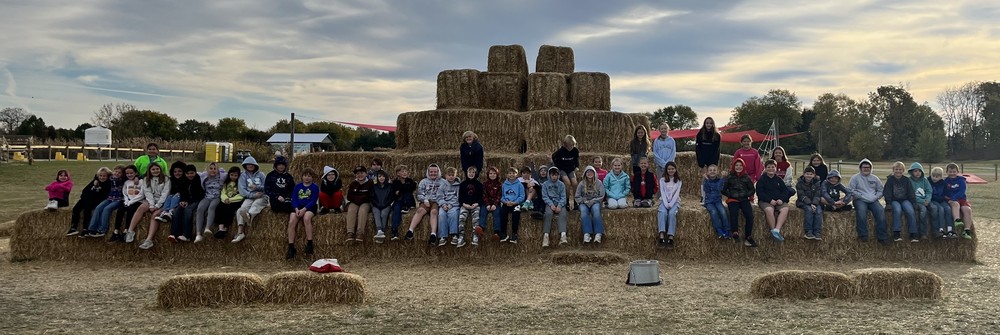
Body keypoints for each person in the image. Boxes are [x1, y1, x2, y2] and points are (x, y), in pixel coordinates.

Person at [126, 164, 171, 250]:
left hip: (163, 202)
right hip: (151, 200)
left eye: (157, 169)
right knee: (141, 208)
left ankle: (149, 240)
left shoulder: (166, 179)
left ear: (160, 169)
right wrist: (151, 205)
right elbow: (148, 193)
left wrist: (157, 206)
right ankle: (130, 231)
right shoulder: (146, 179)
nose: (155, 171)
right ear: (149, 171)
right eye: (153, 169)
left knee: (155, 215)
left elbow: (165, 193)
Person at [407, 164, 447, 245]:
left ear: (438, 172)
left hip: (437, 201)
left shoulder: (443, 182)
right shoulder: (423, 181)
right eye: (431, 172)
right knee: (420, 210)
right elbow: (419, 194)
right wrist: (424, 199)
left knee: (434, 212)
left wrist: (442, 202)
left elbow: (446, 194)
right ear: (428, 172)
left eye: (435, 172)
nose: (433, 173)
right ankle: (410, 231)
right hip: (426, 201)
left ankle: (433, 234)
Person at [849, 159, 887, 244]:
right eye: (864, 167)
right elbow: (851, 190)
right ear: (860, 168)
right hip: (859, 200)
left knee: (881, 211)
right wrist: (861, 196)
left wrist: (875, 197)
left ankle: (882, 237)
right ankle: (863, 235)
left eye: (868, 167)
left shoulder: (875, 178)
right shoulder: (855, 178)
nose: (866, 169)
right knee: (862, 212)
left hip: (873, 200)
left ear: (871, 168)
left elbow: (881, 190)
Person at [722, 158, 756, 247]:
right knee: (733, 213)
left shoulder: (746, 177)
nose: (738, 167)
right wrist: (731, 194)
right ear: (733, 166)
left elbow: (752, 189)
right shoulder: (729, 177)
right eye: (736, 165)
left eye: (740, 165)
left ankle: (748, 236)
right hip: (733, 199)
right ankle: (735, 232)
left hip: (744, 199)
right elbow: (723, 189)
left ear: (743, 167)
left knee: (749, 215)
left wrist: (746, 194)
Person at [286, 168, 319, 259]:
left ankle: (309, 243)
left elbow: (313, 200)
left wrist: (304, 209)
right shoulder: (297, 186)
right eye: (305, 176)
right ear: (302, 177)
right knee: (292, 221)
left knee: (306, 218)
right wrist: (296, 209)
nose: (307, 178)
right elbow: (294, 199)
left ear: (312, 177)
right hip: (298, 207)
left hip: (309, 207)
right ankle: (291, 246)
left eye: (309, 176)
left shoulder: (315, 187)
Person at [234, 156, 268, 243]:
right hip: (249, 196)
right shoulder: (243, 176)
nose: (250, 166)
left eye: (252, 164)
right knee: (241, 210)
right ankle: (240, 232)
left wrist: (257, 187)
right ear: (245, 165)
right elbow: (242, 190)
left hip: (261, 196)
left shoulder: (261, 175)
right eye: (248, 164)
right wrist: (252, 195)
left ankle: (249, 215)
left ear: (255, 165)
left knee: (256, 205)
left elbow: (267, 187)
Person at [757, 159, 792, 242]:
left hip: (778, 200)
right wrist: (770, 200)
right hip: (765, 201)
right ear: (765, 168)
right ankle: (773, 230)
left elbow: (785, 191)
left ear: (776, 168)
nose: (771, 169)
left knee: (785, 209)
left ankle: (777, 230)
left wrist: (781, 199)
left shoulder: (779, 179)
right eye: (768, 167)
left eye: (773, 167)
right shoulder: (762, 180)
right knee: (769, 210)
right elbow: (760, 193)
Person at [70, 167, 111, 236]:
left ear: (108, 176)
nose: (102, 177)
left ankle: (85, 229)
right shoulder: (95, 181)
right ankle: (73, 227)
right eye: (100, 176)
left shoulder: (108, 184)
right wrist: (84, 197)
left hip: (95, 201)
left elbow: (104, 196)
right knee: (76, 209)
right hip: (86, 199)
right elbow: (85, 191)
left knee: (87, 210)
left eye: (104, 176)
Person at [88, 165, 126, 239]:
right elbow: (99, 175)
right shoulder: (110, 178)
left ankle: (102, 230)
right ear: (113, 171)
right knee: (98, 208)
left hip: (119, 199)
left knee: (107, 209)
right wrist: (96, 178)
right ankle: (92, 228)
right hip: (109, 198)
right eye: (116, 171)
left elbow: (132, 175)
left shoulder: (123, 180)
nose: (117, 173)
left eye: (119, 173)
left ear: (122, 174)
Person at [883, 161, 917, 242]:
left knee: (910, 211)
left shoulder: (906, 180)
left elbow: (911, 192)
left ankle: (913, 233)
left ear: (903, 170)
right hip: (894, 200)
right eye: (896, 169)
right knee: (897, 210)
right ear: (893, 170)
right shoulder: (890, 180)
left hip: (905, 200)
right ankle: (896, 233)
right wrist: (888, 203)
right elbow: (887, 192)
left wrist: (913, 202)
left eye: (900, 169)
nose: (898, 171)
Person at [171, 164, 204, 243]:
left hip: (196, 200)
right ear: (185, 174)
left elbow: (198, 194)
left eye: (192, 173)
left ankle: (187, 235)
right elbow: (183, 192)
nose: (190, 175)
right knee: (177, 211)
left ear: (195, 172)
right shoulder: (183, 181)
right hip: (185, 200)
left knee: (188, 211)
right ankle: (174, 234)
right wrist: (183, 201)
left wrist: (187, 202)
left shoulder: (198, 180)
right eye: (187, 173)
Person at [194, 162, 226, 242]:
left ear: (217, 170)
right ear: (208, 169)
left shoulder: (222, 176)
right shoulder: (204, 175)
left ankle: (207, 228)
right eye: (211, 168)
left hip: (217, 197)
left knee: (212, 207)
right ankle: (198, 234)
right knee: (200, 208)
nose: (213, 170)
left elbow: (234, 173)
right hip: (207, 197)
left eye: (215, 169)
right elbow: (195, 173)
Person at [576, 165, 606, 244]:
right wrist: (583, 200)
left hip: (595, 201)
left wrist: (593, 201)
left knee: (596, 211)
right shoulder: (581, 184)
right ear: (585, 173)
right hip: (584, 202)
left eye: (591, 172)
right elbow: (577, 196)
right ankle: (587, 233)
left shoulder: (599, 183)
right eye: (588, 172)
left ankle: (598, 233)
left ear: (594, 173)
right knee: (583, 212)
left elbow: (602, 195)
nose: (589, 174)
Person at [944, 163, 974, 239]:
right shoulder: (946, 181)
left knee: (967, 209)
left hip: (961, 198)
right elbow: (945, 191)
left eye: (954, 172)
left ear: (957, 172)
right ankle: (957, 220)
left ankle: (967, 230)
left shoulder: (961, 180)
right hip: (952, 200)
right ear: (947, 172)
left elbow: (961, 192)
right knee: (955, 204)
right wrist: (948, 198)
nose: (952, 173)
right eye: (950, 172)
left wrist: (953, 198)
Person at [540, 166, 568, 247]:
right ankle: (546, 236)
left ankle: (563, 235)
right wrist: (551, 204)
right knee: (548, 214)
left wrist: (559, 205)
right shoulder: (545, 184)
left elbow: (563, 197)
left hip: (559, 203)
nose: (554, 177)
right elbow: (544, 196)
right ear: (549, 175)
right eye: (552, 175)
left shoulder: (561, 184)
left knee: (563, 214)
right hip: (550, 203)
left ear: (558, 175)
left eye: (556, 175)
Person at [695, 117, 721, 202]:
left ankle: (712, 196)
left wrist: (713, 164)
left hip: (712, 160)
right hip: (703, 160)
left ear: (713, 124)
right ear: (704, 124)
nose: (709, 125)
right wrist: (702, 163)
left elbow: (717, 150)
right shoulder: (700, 134)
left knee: (712, 178)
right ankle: (703, 196)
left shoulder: (717, 135)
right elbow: (698, 149)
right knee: (705, 178)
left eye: (710, 123)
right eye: (707, 123)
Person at [116, 166, 144, 242]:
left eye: (131, 173)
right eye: (127, 173)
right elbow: (124, 193)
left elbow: (141, 195)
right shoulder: (126, 182)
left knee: (130, 210)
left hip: (138, 201)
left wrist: (131, 202)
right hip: (128, 201)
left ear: (136, 173)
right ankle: (116, 231)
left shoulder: (142, 182)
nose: (129, 175)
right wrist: (126, 201)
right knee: (120, 210)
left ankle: (126, 230)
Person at [214, 167, 244, 239]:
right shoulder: (226, 183)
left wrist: (230, 200)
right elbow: (223, 192)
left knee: (230, 210)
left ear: (238, 176)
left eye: (235, 175)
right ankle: (220, 227)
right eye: (232, 175)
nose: (233, 177)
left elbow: (241, 195)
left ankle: (226, 227)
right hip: (225, 200)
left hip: (235, 201)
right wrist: (225, 199)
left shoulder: (240, 184)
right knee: (219, 208)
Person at [656, 162, 681, 248]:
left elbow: (676, 194)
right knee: (662, 212)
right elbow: (662, 193)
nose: (671, 170)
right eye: (669, 169)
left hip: (675, 201)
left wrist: (671, 204)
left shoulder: (678, 181)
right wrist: (666, 203)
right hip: (664, 201)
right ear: (666, 170)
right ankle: (662, 235)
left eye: (672, 169)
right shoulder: (662, 180)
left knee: (672, 213)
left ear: (675, 169)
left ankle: (670, 236)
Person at [346, 165, 373, 242]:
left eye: (361, 173)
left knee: (363, 210)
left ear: (366, 174)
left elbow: (370, 196)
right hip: (355, 202)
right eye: (357, 173)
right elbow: (349, 196)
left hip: (366, 202)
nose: (360, 175)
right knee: (351, 210)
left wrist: (360, 198)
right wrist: (358, 199)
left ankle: (360, 232)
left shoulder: (370, 183)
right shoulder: (353, 184)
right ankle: (350, 232)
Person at [435, 167, 462, 247]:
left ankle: (454, 234)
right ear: (445, 176)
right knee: (441, 215)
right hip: (444, 205)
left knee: (453, 214)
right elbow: (439, 197)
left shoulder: (458, 186)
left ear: (455, 175)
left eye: (452, 175)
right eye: (449, 175)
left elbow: (459, 198)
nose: (451, 177)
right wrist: (443, 205)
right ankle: (442, 236)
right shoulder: (442, 185)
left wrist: (451, 205)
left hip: (454, 205)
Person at [552, 135, 580, 209]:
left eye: (572, 145)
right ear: (565, 145)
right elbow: (553, 156)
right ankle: (566, 201)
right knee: (567, 183)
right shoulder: (561, 151)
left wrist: (577, 167)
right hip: (562, 169)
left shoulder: (575, 151)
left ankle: (575, 200)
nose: (571, 147)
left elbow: (576, 160)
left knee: (575, 183)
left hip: (571, 169)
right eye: (569, 146)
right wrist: (557, 167)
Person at [796, 166, 824, 240]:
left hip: (815, 202)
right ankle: (808, 232)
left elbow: (818, 195)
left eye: (811, 174)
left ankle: (817, 232)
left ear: (814, 175)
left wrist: (814, 204)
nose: (809, 175)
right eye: (807, 174)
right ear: (804, 174)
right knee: (809, 210)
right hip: (804, 202)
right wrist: (810, 204)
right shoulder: (799, 183)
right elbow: (801, 195)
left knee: (818, 211)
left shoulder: (817, 183)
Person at [499, 167, 526, 243]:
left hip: (516, 203)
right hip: (506, 203)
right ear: (507, 175)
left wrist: (515, 202)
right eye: (510, 173)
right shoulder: (504, 185)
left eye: (513, 173)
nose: (512, 175)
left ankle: (514, 234)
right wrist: (505, 202)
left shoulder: (519, 185)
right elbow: (501, 196)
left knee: (516, 215)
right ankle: (504, 233)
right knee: (502, 213)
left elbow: (522, 196)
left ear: (516, 175)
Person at [458, 166, 483, 247]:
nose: (471, 174)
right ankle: (461, 236)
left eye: (473, 172)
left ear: (475, 174)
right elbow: (460, 198)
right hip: (465, 205)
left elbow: (481, 197)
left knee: (476, 218)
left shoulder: (479, 184)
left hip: (475, 205)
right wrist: (464, 204)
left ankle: (475, 236)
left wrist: (477, 204)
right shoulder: (462, 184)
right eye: (469, 172)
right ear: (466, 173)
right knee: (462, 218)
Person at [702, 164, 729, 239]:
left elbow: (719, 188)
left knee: (723, 211)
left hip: (718, 201)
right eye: (710, 170)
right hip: (709, 202)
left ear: (717, 172)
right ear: (707, 172)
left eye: (714, 170)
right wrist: (705, 180)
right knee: (713, 212)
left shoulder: (720, 180)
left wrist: (724, 178)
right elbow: (706, 190)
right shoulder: (706, 180)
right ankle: (719, 230)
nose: (712, 172)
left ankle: (727, 230)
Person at [390, 165, 416, 240]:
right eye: (402, 171)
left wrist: (400, 190)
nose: (404, 173)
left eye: (406, 171)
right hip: (398, 201)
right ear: (398, 173)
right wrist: (404, 189)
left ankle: (406, 207)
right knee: (396, 209)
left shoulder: (410, 181)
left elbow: (412, 186)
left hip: (408, 202)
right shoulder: (395, 182)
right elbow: (393, 194)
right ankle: (394, 230)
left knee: (407, 194)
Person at [156, 161, 186, 225]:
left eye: (179, 171)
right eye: (175, 172)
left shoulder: (185, 180)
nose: (177, 173)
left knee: (176, 195)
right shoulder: (171, 180)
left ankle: (171, 212)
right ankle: (164, 212)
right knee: (169, 196)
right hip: (172, 196)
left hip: (181, 197)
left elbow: (184, 192)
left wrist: (183, 199)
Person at [908, 162, 933, 240]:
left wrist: (927, 200)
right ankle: (923, 233)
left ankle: (936, 230)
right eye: (915, 171)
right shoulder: (909, 181)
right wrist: (922, 201)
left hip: (926, 200)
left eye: (919, 171)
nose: (917, 173)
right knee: (923, 211)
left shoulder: (925, 180)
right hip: (916, 201)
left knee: (935, 209)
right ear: (911, 172)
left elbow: (929, 191)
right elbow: (910, 195)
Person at [929, 167, 956, 238]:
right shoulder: (928, 181)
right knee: (941, 209)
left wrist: (949, 198)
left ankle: (949, 229)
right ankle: (941, 229)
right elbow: (929, 193)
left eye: (937, 177)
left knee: (948, 209)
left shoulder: (943, 183)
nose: (934, 178)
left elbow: (945, 193)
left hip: (941, 200)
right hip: (933, 200)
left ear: (941, 177)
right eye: (933, 176)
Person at [481, 166, 503, 244]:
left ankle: (496, 232)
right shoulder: (485, 184)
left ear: (497, 174)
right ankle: (481, 228)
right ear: (488, 174)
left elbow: (499, 196)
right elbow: (484, 195)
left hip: (495, 204)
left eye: (494, 173)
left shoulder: (499, 184)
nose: (492, 175)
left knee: (497, 214)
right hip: (486, 203)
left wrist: (495, 205)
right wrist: (487, 204)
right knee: (483, 212)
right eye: (490, 173)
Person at [371, 170, 393, 244]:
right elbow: (372, 197)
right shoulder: (374, 187)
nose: (381, 178)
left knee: (383, 214)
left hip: (386, 205)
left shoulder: (390, 187)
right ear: (377, 178)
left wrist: (385, 204)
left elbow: (391, 198)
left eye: (383, 176)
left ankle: (382, 231)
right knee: (376, 213)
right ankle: (379, 230)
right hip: (376, 205)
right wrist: (376, 204)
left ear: (386, 177)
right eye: (379, 176)